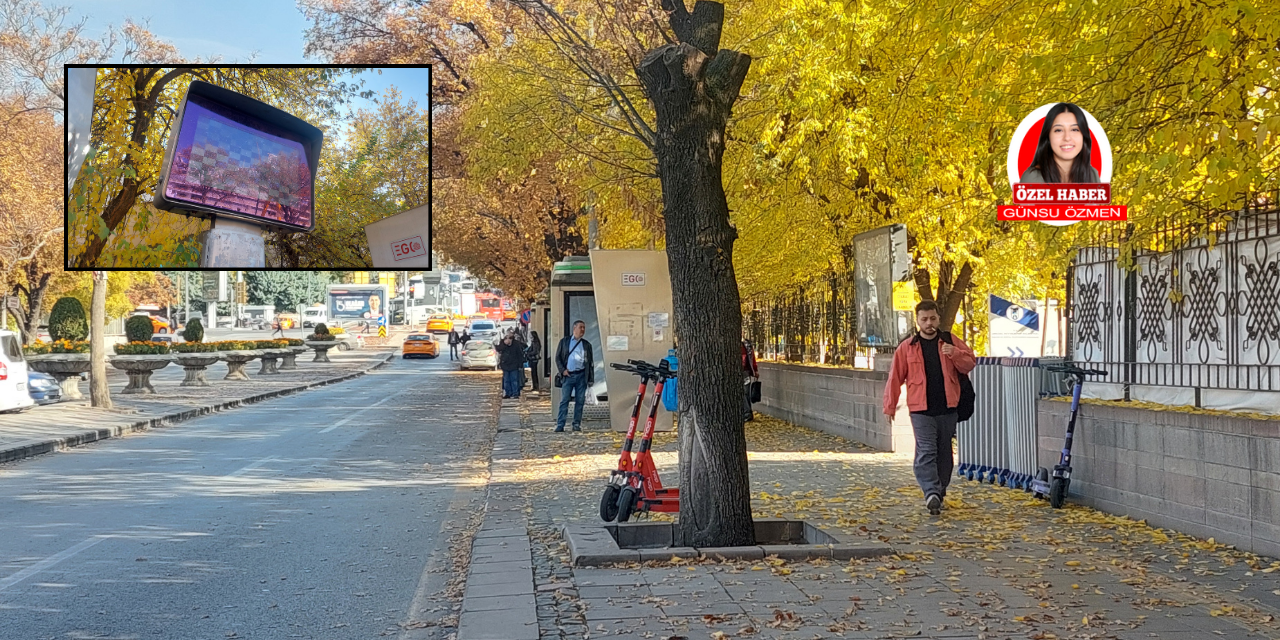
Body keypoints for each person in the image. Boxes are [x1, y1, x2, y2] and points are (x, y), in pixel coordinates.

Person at [882, 300, 976, 516]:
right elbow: (895, 378)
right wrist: (890, 406)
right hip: (920, 410)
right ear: (917, 322)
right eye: (924, 319)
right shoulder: (907, 348)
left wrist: (954, 353)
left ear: (938, 319)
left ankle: (939, 492)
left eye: (932, 318)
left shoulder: (950, 341)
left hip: (948, 407)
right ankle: (930, 491)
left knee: (944, 452)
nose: (929, 323)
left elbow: (970, 363)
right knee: (926, 451)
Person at [1019, 103, 1100, 184]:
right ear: (1048, 136)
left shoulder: (1092, 175)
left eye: (1075, 129)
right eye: (1058, 130)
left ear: (1084, 136)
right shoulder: (1032, 178)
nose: (1067, 138)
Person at [554, 320, 594, 433]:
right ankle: (560, 424)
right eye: (580, 327)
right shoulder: (564, 342)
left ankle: (576, 424)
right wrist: (563, 371)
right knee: (564, 400)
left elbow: (590, 363)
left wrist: (590, 379)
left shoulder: (586, 345)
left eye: (584, 328)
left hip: (581, 375)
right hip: (568, 375)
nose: (582, 330)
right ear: (574, 328)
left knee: (580, 401)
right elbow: (558, 358)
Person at [496, 331, 526, 399]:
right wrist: (504, 343)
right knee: (506, 380)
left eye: (509, 338)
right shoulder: (503, 344)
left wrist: (520, 364)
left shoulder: (516, 344)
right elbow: (499, 349)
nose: (508, 340)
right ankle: (508, 393)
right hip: (505, 365)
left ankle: (515, 393)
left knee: (514, 380)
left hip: (514, 365)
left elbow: (520, 354)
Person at [742, 339, 759, 421]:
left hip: (745, 372)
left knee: (746, 393)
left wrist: (755, 370)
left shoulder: (746, 344)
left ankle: (747, 413)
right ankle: (746, 412)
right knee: (743, 393)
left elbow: (752, 358)